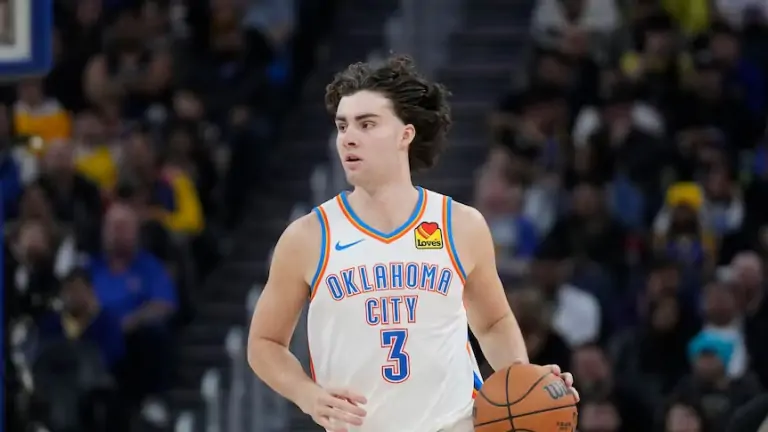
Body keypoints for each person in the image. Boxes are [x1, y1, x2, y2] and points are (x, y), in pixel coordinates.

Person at [247, 55, 579, 432]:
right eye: (342, 126)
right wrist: (307, 395)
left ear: (405, 135)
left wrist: (527, 386)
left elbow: (492, 323)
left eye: (366, 124)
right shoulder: (309, 236)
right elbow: (265, 342)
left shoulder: (459, 225)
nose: (348, 137)